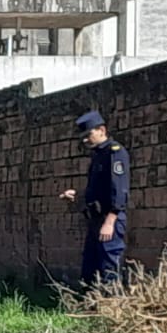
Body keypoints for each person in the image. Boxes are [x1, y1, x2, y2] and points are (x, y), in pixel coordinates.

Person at [60, 109, 130, 287]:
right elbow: (98, 190)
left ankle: (112, 308)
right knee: (90, 269)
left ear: (102, 130)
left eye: (89, 134)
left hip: (109, 221)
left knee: (109, 267)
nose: (85, 140)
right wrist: (78, 196)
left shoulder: (115, 153)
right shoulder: (98, 155)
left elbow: (119, 190)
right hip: (96, 219)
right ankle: (92, 309)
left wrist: (110, 221)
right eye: (83, 136)